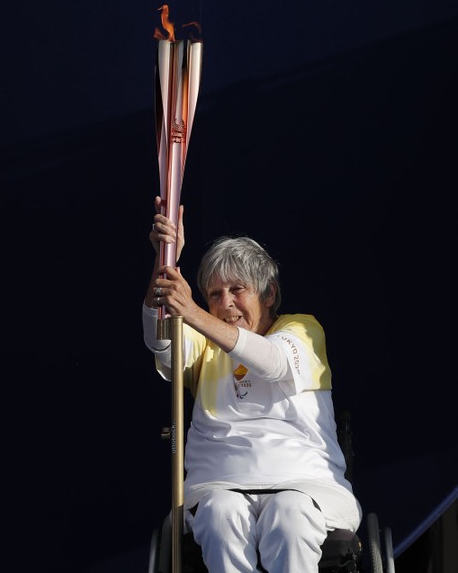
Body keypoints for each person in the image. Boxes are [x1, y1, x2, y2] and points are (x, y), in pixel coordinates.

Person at [141, 196, 361, 572]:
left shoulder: (302, 329)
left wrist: (191, 310)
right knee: (220, 514)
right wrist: (166, 264)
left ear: (269, 294)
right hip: (218, 486)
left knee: (288, 514)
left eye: (237, 289)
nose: (226, 303)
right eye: (214, 294)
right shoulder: (206, 342)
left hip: (306, 486)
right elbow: (162, 342)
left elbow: (273, 362)